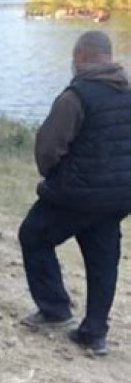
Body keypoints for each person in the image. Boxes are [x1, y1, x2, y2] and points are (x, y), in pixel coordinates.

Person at [19, 30, 131, 356]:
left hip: (76, 195)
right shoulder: (127, 93)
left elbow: (48, 147)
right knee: (103, 259)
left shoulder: (75, 96)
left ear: (80, 55)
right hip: (118, 196)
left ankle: (54, 309)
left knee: (33, 235)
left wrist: (52, 175)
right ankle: (94, 333)